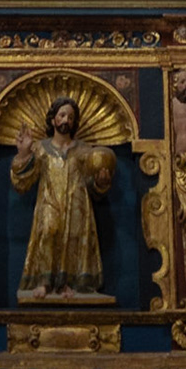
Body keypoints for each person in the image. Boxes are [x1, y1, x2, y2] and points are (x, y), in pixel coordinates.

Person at [10, 96, 114, 300]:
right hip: (49, 202)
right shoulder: (40, 148)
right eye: (62, 115)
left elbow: (94, 186)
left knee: (75, 239)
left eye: (70, 117)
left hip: (78, 206)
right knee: (48, 232)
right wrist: (23, 155)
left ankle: (68, 283)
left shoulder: (84, 151)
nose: (66, 120)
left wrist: (101, 182)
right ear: (53, 120)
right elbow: (23, 183)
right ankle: (44, 282)